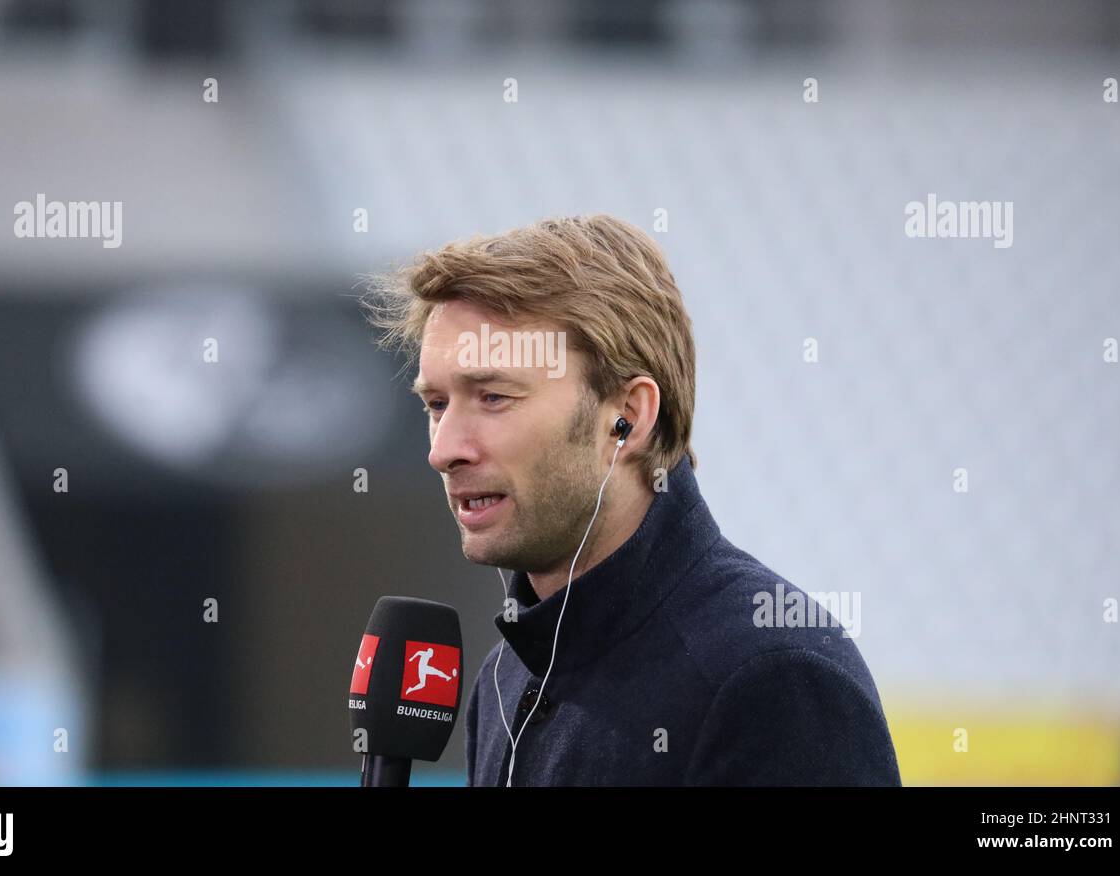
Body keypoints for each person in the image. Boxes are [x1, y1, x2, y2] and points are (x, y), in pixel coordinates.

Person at [363, 213, 901, 786]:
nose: (443, 450)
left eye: (493, 396)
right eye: (436, 405)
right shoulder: (507, 679)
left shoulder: (773, 679)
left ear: (628, 417)